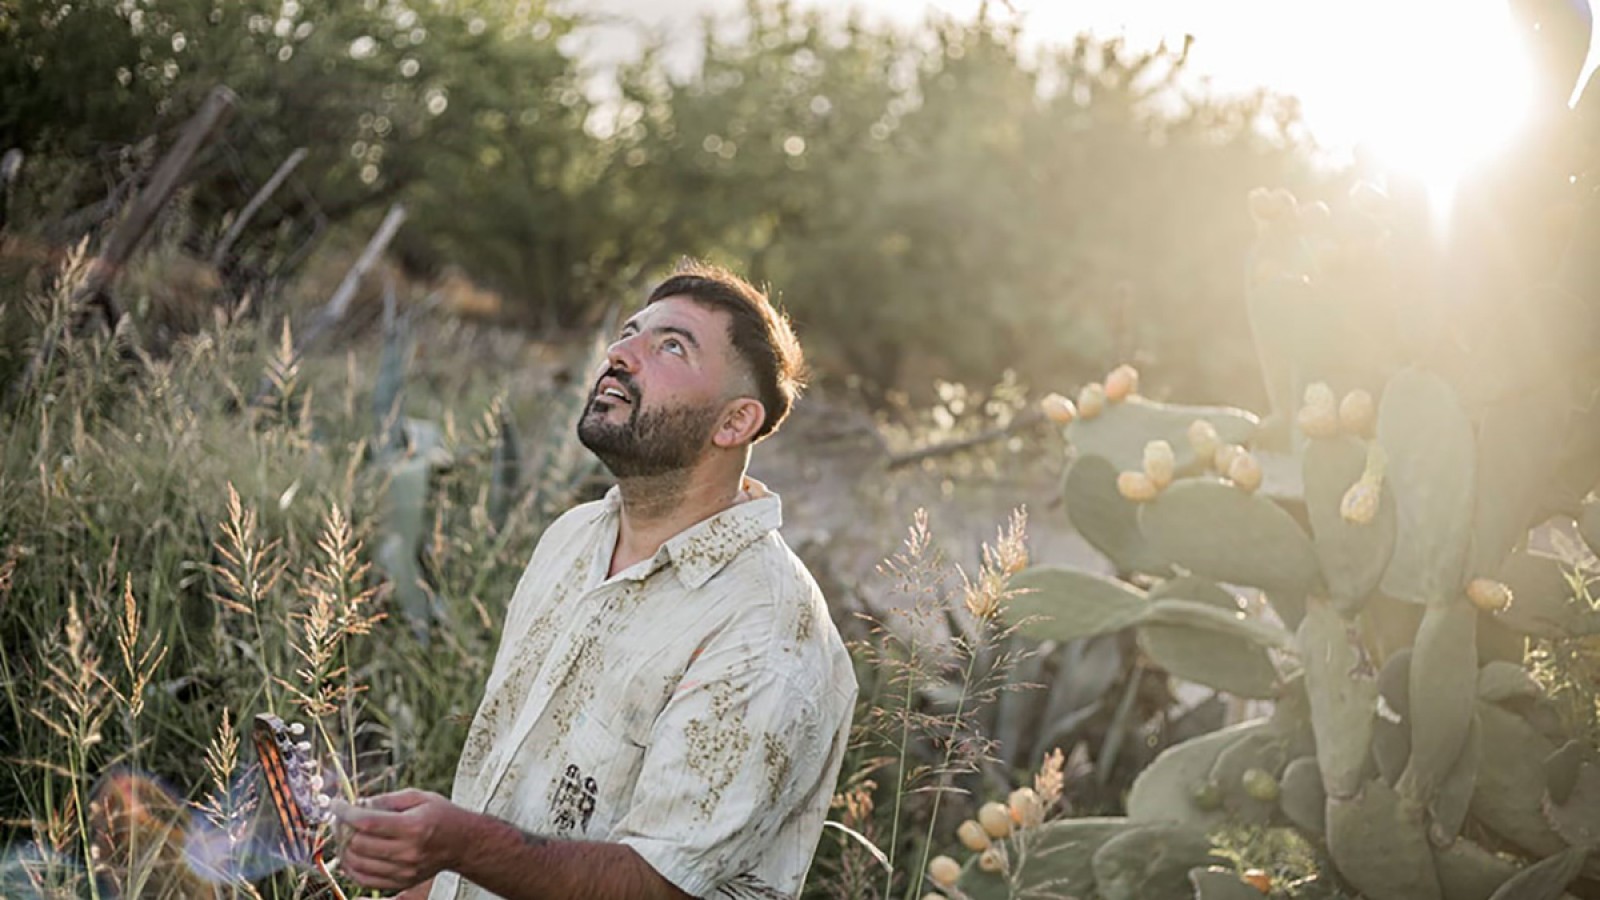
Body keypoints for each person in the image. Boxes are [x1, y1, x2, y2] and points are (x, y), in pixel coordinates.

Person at [331, 262, 858, 900]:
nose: (619, 353)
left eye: (671, 346)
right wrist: (408, 864)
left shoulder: (766, 631)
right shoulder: (575, 537)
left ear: (733, 424)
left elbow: (657, 887)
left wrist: (460, 843)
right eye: (630, 331)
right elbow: (517, 832)